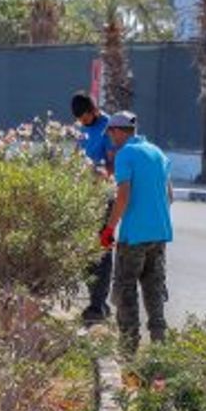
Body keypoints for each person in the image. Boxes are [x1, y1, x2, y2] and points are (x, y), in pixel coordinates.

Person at [100, 111, 173, 355]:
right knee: (154, 290)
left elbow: (123, 196)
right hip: (160, 234)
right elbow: (169, 195)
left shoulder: (125, 155)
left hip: (134, 237)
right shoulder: (157, 153)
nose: (109, 136)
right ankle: (160, 349)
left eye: (110, 131)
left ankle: (128, 350)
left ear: (119, 131)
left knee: (125, 289)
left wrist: (109, 229)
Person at [71, 92, 115, 324]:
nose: (82, 123)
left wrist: (100, 173)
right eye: (79, 120)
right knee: (86, 251)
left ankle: (98, 305)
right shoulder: (82, 129)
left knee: (103, 249)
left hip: (103, 196)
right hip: (84, 195)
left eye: (85, 118)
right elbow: (77, 155)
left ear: (93, 111)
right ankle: (95, 300)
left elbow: (112, 164)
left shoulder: (108, 127)